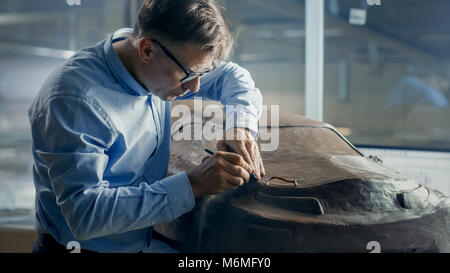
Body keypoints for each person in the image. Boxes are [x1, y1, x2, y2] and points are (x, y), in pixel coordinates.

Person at [28, 0, 264, 253]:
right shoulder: (75, 102)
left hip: (146, 241)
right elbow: (86, 214)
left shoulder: (152, 66)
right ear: (147, 50)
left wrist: (239, 127)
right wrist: (194, 184)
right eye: (189, 76)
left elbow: (232, 76)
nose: (195, 88)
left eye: (202, 75)